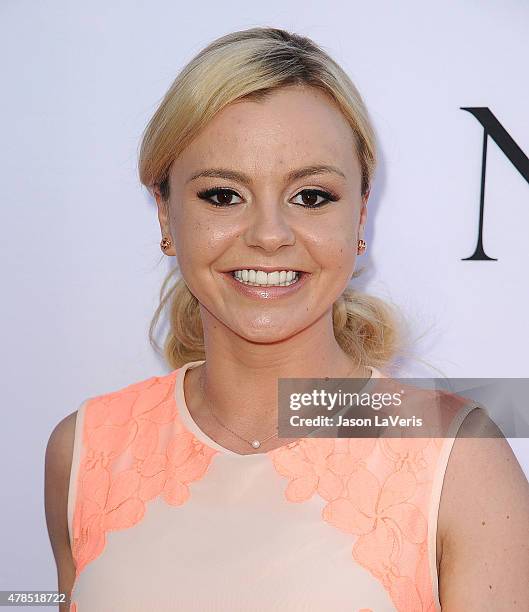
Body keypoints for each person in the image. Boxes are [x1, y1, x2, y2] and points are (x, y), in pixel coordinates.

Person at [44, 26, 529, 611]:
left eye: (311, 196)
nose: (270, 235)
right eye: (223, 195)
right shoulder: (86, 449)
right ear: (166, 217)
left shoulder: (457, 458)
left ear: (359, 219)